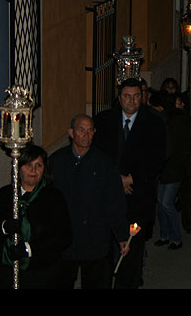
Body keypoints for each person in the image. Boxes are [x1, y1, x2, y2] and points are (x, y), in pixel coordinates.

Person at [93, 77, 167, 288]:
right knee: (105, 248)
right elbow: (98, 155)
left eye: (136, 96)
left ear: (142, 97)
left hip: (138, 194)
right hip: (108, 194)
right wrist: (117, 180)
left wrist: (132, 178)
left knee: (133, 249)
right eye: (127, 96)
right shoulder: (104, 120)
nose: (132, 101)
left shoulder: (154, 123)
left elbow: (157, 158)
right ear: (119, 98)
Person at [49, 114, 129, 289]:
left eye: (90, 130)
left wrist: (122, 234)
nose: (86, 135)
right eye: (81, 130)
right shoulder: (56, 161)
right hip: (65, 239)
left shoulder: (104, 163)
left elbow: (115, 201)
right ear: (71, 133)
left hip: (95, 239)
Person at [0, 144, 72, 289]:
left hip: (42, 277)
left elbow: (64, 237)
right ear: (18, 168)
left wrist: (29, 249)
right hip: (4, 276)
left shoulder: (54, 198)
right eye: (28, 165)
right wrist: (4, 228)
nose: (33, 170)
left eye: (38, 165)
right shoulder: (4, 195)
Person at [150, 92, 191, 250]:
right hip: (164, 167)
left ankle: (176, 238)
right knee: (161, 203)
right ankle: (165, 235)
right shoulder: (165, 119)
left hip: (174, 167)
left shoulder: (178, 120)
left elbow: (182, 145)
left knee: (166, 203)